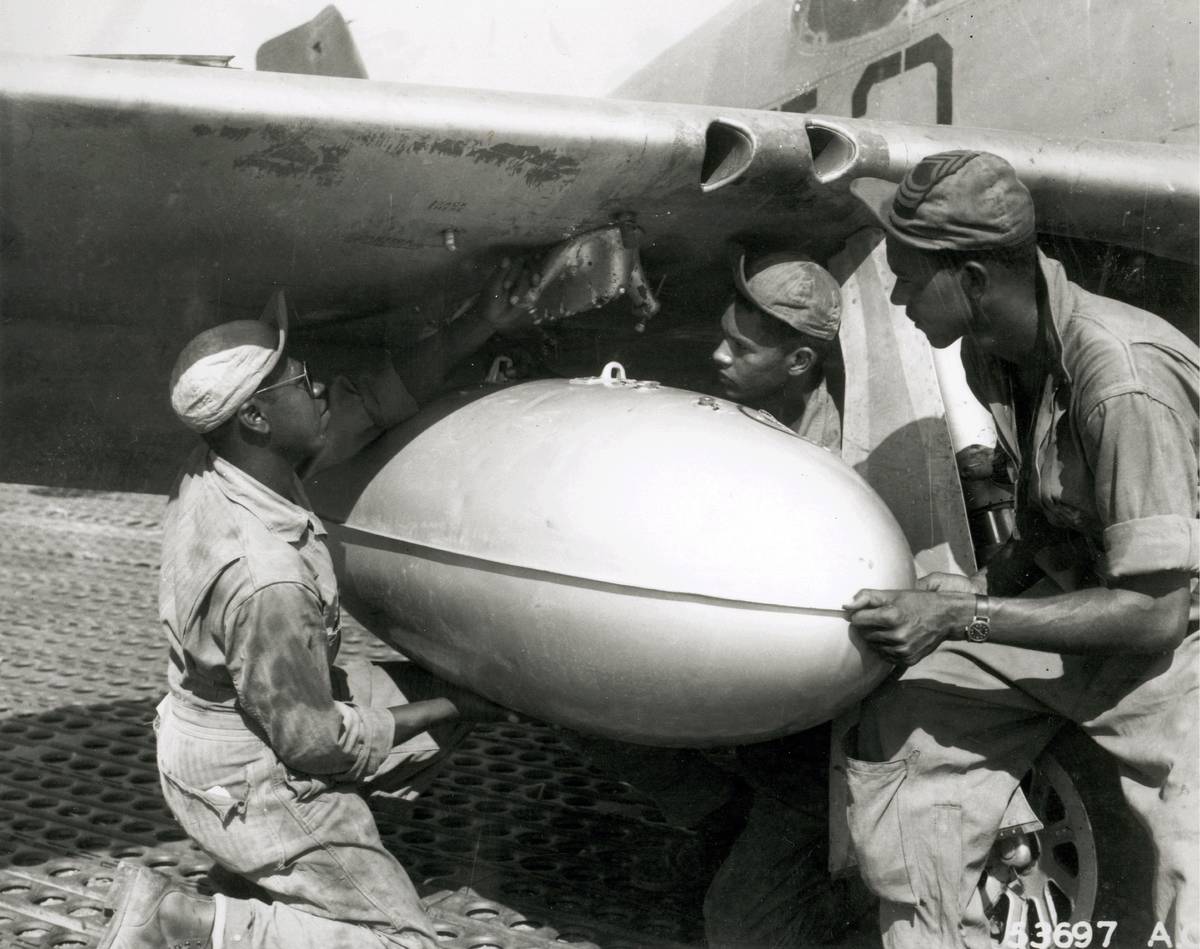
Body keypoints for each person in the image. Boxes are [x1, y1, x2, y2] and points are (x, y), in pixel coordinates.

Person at [100, 263, 538, 949]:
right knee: (403, 942)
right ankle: (188, 920)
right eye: (299, 379)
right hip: (250, 777)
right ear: (255, 415)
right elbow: (315, 744)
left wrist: (482, 320)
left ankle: (291, 873)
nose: (320, 384)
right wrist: (459, 706)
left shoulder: (232, 462)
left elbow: (372, 399)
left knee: (433, 703)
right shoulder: (266, 577)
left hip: (223, 733)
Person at [842, 151, 1199, 949]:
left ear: (971, 279)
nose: (898, 296)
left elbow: (1156, 614)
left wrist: (962, 613)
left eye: (908, 277)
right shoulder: (990, 351)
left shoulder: (1121, 380)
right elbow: (1046, 519)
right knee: (913, 704)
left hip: (1179, 642)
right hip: (1094, 608)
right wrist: (960, 598)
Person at [576, 250, 867, 948]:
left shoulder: (829, 473)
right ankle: (725, 818)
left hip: (816, 766)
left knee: (737, 927)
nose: (716, 354)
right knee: (579, 700)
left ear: (799, 362)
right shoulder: (758, 412)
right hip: (765, 736)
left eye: (740, 347)